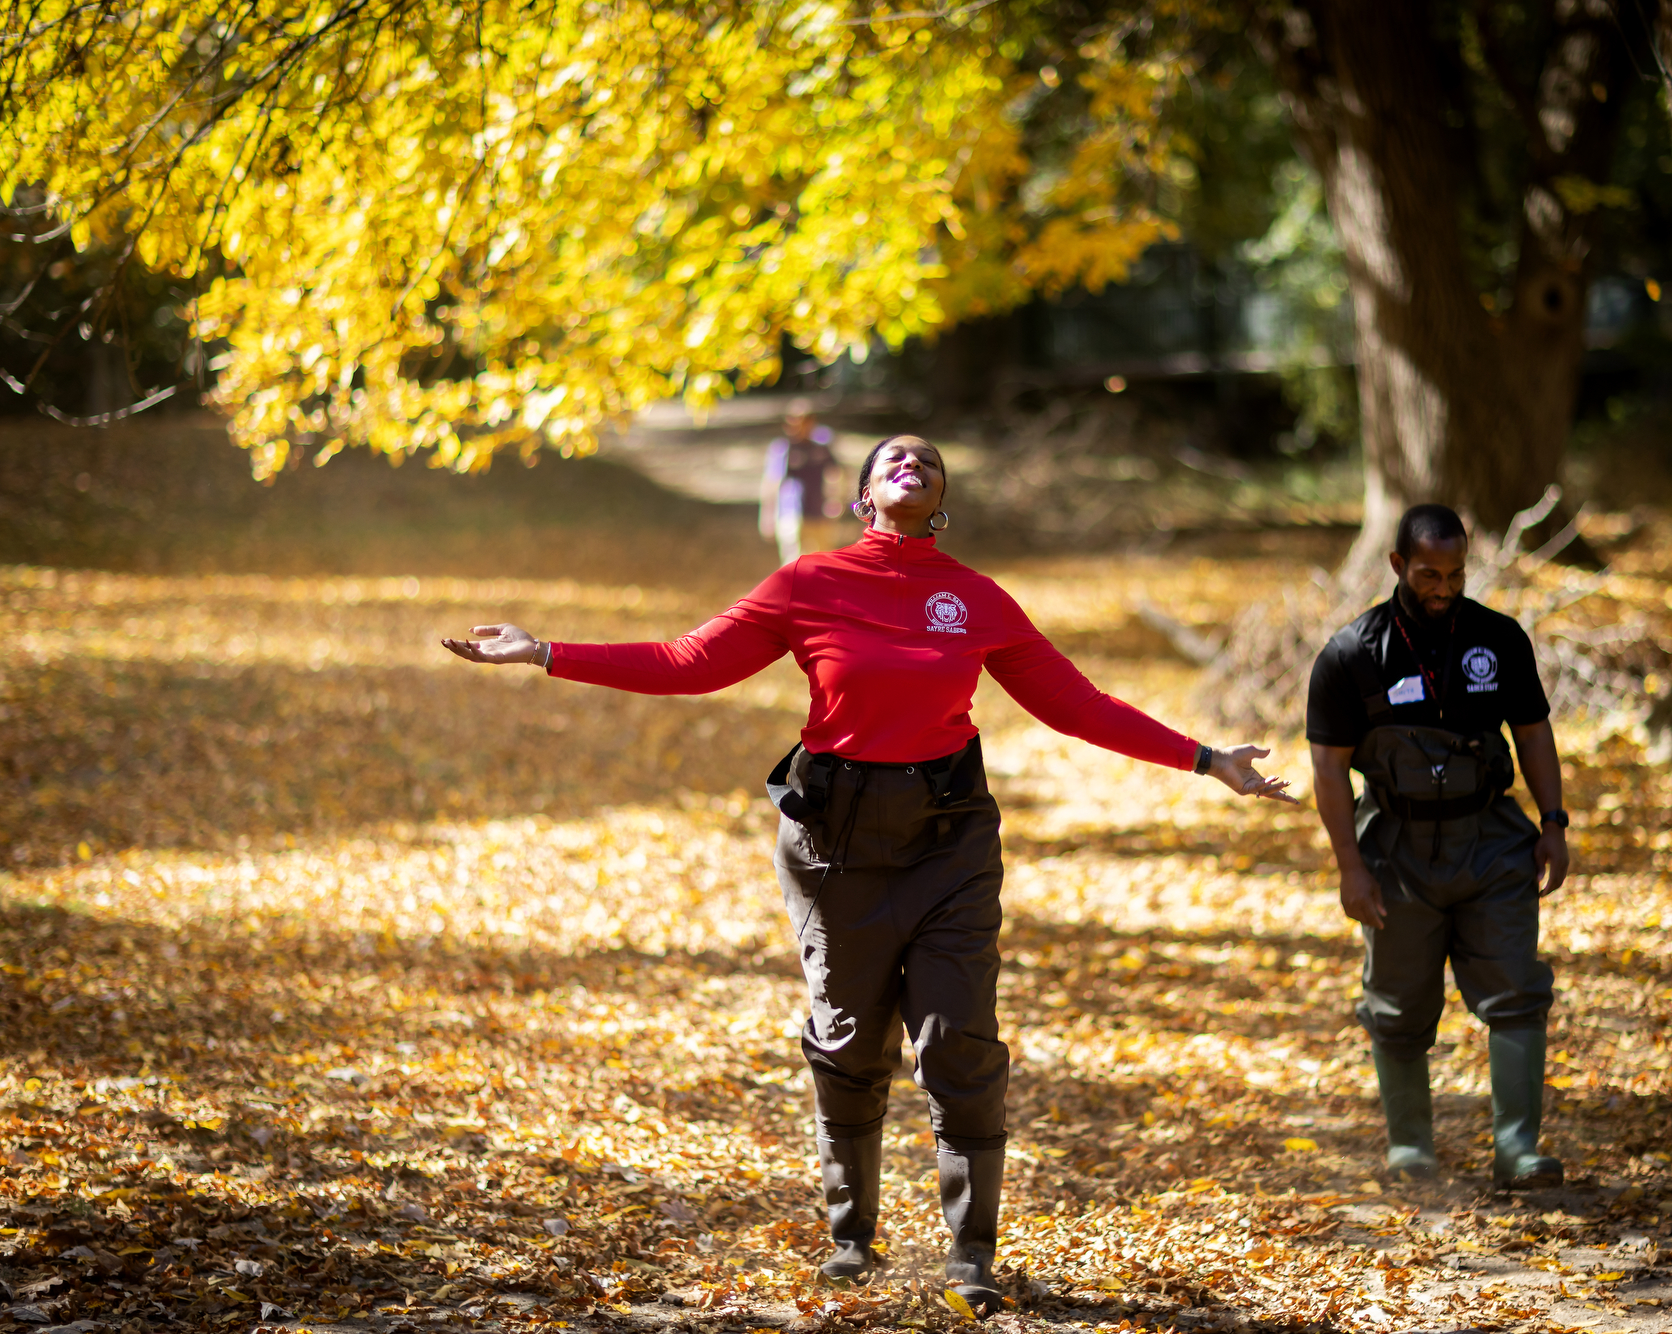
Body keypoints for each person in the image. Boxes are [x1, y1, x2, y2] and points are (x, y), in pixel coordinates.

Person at [443, 435, 1296, 1311]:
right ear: (863, 499)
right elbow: (690, 662)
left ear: (940, 500)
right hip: (832, 849)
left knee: (959, 1042)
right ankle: (852, 1239)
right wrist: (548, 652)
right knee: (849, 1043)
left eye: (927, 461)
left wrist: (1204, 759)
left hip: (949, 842)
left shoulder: (973, 597)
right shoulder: (808, 584)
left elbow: (1076, 705)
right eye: (892, 459)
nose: (911, 464)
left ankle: (972, 1255)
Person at [1305, 503, 1570, 1187]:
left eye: (1455, 574)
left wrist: (1554, 822)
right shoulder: (1351, 653)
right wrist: (1350, 867)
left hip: (1492, 840)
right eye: (1429, 574)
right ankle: (1410, 1147)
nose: (1443, 588)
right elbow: (1330, 768)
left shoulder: (1499, 638)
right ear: (1397, 565)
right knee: (1396, 1001)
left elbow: (1533, 732)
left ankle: (1517, 1150)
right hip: (1396, 848)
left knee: (1516, 990)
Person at [759, 398, 840, 565]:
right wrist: (767, 516)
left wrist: (835, 500)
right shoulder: (782, 450)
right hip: (791, 514)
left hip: (819, 513)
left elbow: (836, 473)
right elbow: (772, 483)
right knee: (793, 565)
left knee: (823, 563)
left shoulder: (821, 447)